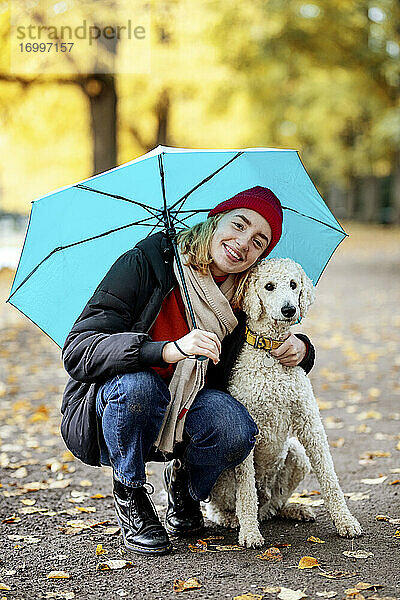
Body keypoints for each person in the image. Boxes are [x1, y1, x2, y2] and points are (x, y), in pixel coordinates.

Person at [61, 186, 315, 556]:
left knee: (236, 429)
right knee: (140, 388)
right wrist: (168, 349)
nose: (243, 243)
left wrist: (303, 348)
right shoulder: (145, 262)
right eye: (238, 225)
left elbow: (266, 332)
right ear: (215, 220)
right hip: (120, 398)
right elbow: (80, 348)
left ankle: (184, 483)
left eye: (259, 241)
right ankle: (130, 493)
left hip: (188, 402)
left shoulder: (243, 292)